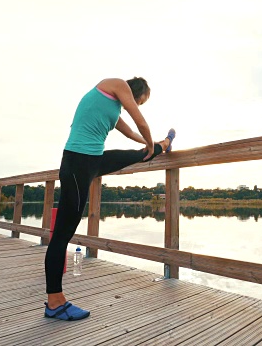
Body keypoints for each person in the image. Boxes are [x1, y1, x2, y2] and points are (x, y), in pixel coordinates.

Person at [43, 77, 175, 321]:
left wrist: (148, 145)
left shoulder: (113, 111)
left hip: (93, 161)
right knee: (61, 236)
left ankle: (165, 144)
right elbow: (141, 123)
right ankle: (55, 301)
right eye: (139, 101)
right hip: (78, 164)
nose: (136, 105)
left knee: (141, 155)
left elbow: (132, 132)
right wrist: (149, 141)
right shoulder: (115, 84)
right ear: (137, 92)